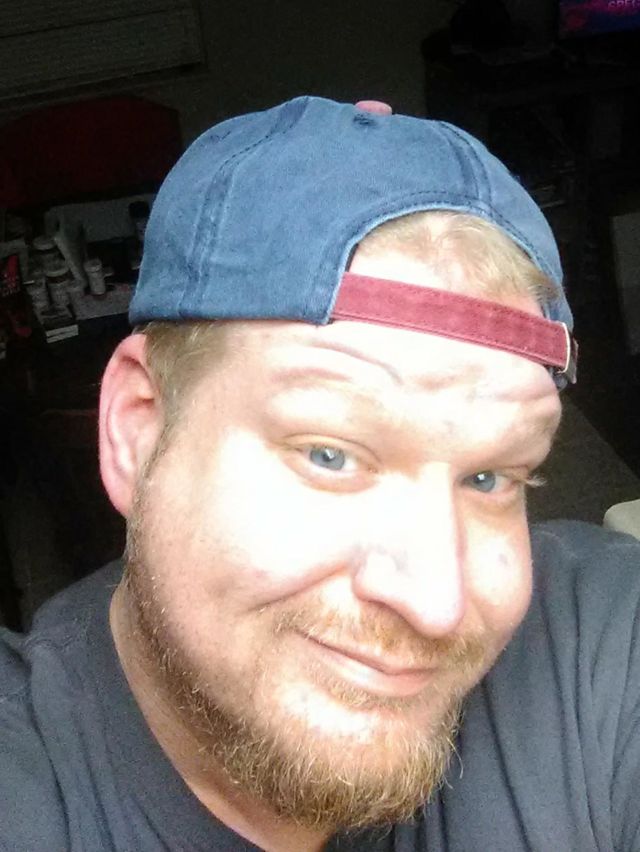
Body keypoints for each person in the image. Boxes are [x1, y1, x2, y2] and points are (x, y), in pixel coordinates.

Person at [1, 95, 639, 852]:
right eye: (330, 455)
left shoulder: (602, 638)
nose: (436, 604)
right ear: (137, 431)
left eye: (490, 477)